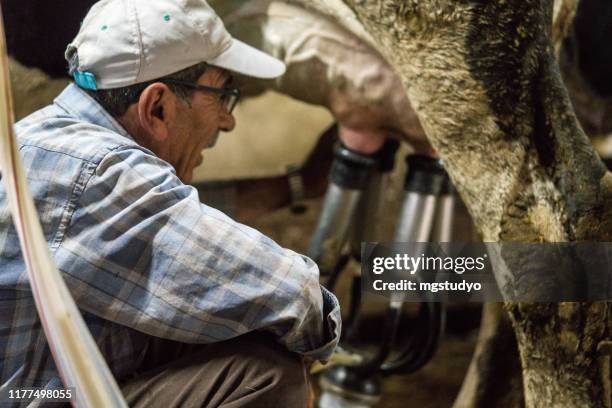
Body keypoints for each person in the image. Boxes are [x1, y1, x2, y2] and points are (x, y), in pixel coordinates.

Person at [0, 0, 340, 406]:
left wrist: (297, 185)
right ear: (157, 106)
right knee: (265, 372)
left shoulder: (49, 141)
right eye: (222, 94)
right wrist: (329, 328)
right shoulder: (102, 174)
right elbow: (295, 297)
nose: (228, 121)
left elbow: (174, 216)